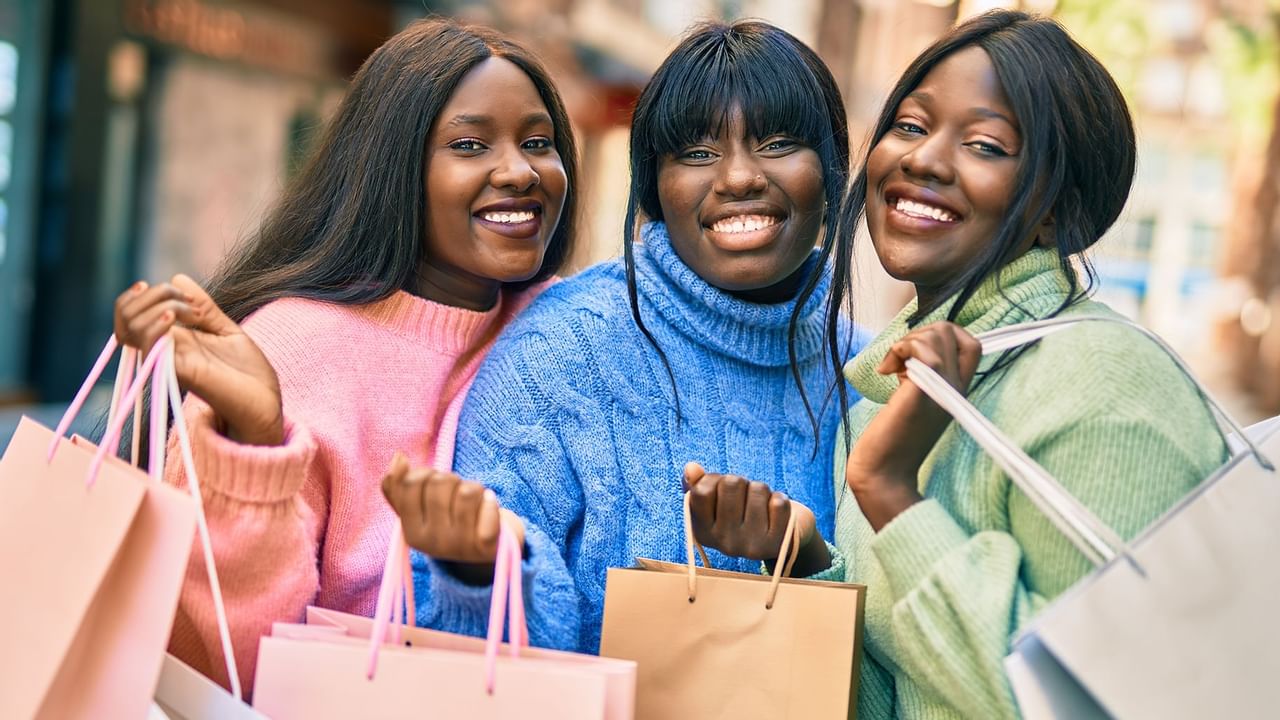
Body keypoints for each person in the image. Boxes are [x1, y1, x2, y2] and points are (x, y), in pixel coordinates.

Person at [692, 10, 1229, 719]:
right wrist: (809, 564)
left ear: (1056, 214)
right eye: (910, 126)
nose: (923, 160)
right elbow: (911, 685)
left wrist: (890, 492)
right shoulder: (890, 393)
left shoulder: (1106, 386)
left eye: (984, 144)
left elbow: (1097, 702)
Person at [111, 18, 578, 693]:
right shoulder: (291, 346)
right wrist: (254, 443)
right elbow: (220, 670)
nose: (519, 170)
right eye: (471, 144)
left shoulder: (569, 332)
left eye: (538, 142)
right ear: (392, 167)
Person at [381, 19, 863, 653]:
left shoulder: (867, 374)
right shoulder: (560, 357)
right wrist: (475, 569)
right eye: (697, 153)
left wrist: (804, 554)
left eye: (776, 143)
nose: (739, 178)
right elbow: (468, 652)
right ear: (654, 189)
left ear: (830, 170)